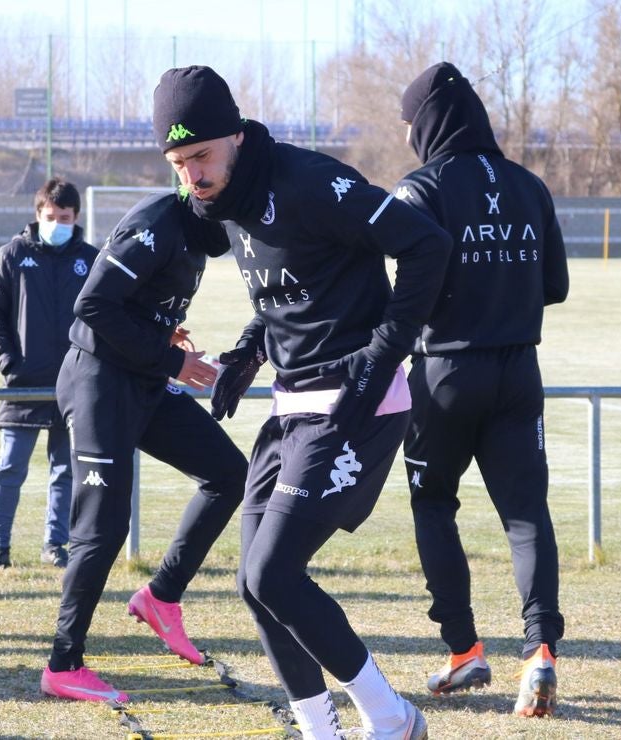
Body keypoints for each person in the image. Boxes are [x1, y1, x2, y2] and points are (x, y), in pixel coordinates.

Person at [155, 65, 451, 739]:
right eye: (177, 163)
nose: (191, 177)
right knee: (254, 584)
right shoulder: (224, 203)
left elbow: (426, 246)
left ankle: (392, 718)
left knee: (274, 570)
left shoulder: (310, 182)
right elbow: (295, 291)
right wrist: (247, 351)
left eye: (199, 156)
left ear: (234, 136)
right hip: (292, 407)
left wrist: (382, 357)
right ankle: (322, 731)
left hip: (357, 407)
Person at [391, 62, 568, 717]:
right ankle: (541, 652)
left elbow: (410, 292)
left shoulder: (421, 189)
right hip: (520, 372)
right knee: (526, 515)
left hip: (444, 374)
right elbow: (557, 286)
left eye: (410, 123)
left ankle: (464, 650)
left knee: (433, 503)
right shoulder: (530, 186)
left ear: (428, 123)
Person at [38, 185, 249, 703]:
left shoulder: (200, 231)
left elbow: (134, 307)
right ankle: (63, 664)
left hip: (144, 381)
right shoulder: (158, 219)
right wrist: (173, 360)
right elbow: (92, 305)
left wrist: (165, 337)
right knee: (103, 527)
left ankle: (161, 597)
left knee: (227, 474)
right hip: (99, 385)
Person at [0, 178, 97, 570]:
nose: (57, 223)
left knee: (66, 471)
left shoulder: (92, 259)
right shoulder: (12, 255)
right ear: (37, 215)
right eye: (50, 217)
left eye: (64, 217)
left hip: (72, 386)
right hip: (23, 387)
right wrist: (11, 365)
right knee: (11, 467)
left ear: (76, 217)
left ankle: (54, 546)